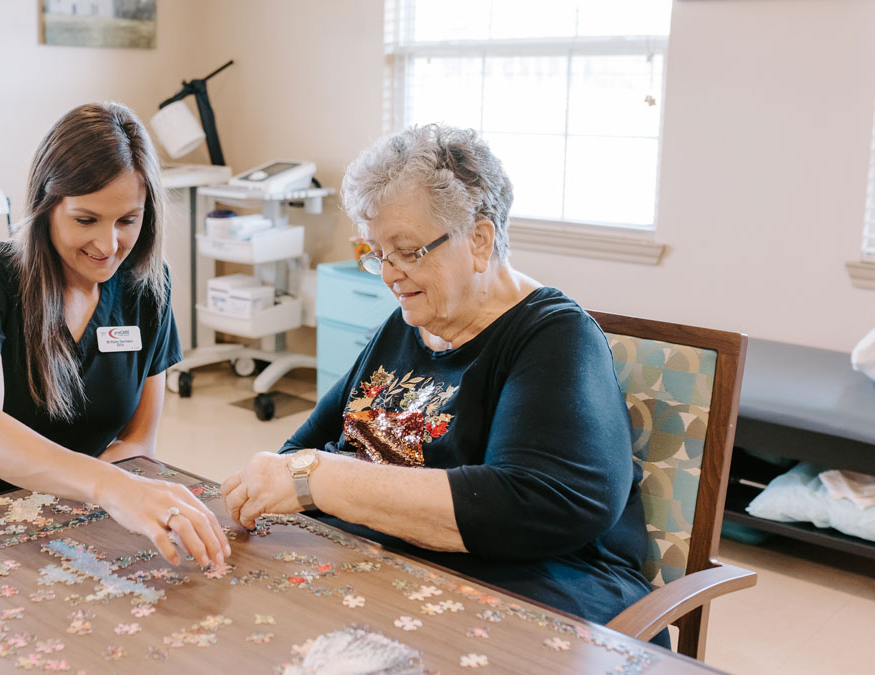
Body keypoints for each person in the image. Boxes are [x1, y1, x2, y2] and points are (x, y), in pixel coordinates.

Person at [221, 123, 659, 638]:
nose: (389, 274)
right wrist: (297, 479)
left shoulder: (554, 338)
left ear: (479, 240)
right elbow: (303, 449)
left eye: (408, 251)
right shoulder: (410, 322)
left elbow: (531, 507)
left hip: (533, 594)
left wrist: (320, 480)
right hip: (384, 572)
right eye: (377, 254)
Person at [0, 102, 230, 568]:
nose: (108, 245)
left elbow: (138, 443)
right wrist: (110, 487)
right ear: (46, 206)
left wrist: (111, 497)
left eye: (128, 220)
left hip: (65, 524)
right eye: (86, 220)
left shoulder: (148, 288)